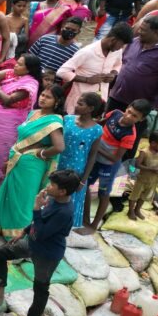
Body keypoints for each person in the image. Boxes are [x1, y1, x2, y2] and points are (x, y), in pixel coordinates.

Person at [0, 170, 80, 316]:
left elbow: (42, 232)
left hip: (47, 253)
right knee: (0, 253)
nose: (48, 187)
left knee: (40, 288)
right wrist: (24, 231)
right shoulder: (54, 200)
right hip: (32, 242)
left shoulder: (64, 212)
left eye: (52, 185)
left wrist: (36, 208)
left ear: (62, 191)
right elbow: (39, 223)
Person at [0, 84, 66, 238]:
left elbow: (59, 147)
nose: (43, 98)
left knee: (23, 200)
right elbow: (22, 138)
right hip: (17, 159)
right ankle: (3, 227)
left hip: (32, 164)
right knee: (9, 195)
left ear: (57, 102)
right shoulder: (34, 113)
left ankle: (19, 236)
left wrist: (41, 153)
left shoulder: (54, 121)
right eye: (43, 95)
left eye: (48, 97)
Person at [80, 99, 151, 233]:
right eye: (129, 111)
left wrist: (96, 146)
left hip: (108, 166)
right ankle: (85, 218)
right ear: (127, 107)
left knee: (103, 194)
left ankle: (93, 225)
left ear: (141, 119)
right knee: (85, 185)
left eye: (135, 116)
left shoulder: (130, 135)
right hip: (95, 159)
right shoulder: (115, 113)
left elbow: (115, 158)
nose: (129, 116)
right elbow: (100, 123)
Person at [0, 54, 43, 190]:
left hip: (8, 125)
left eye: (20, 65)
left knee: (1, 152)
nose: (15, 66)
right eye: (17, 62)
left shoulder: (29, 84)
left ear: (28, 70)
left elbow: (8, 100)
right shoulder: (11, 73)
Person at [105, 15, 158, 120]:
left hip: (141, 105)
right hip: (117, 96)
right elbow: (121, 62)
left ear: (156, 32)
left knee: (131, 133)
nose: (139, 32)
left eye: (143, 30)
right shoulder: (134, 42)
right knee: (108, 126)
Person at [57, 23, 132, 114]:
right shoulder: (87, 52)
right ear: (113, 40)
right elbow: (62, 71)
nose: (122, 48)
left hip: (100, 104)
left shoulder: (117, 51)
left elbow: (118, 64)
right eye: (122, 45)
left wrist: (113, 73)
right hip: (79, 105)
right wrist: (87, 80)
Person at [57, 92, 104, 231]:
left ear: (90, 109)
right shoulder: (67, 119)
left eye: (80, 104)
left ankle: (63, 227)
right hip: (60, 163)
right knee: (54, 190)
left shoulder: (96, 130)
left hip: (77, 169)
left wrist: (83, 180)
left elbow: (92, 155)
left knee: (71, 198)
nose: (76, 105)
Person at [129, 129, 158, 220]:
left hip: (153, 180)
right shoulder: (144, 152)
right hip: (142, 179)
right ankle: (130, 210)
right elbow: (137, 164)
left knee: (144, 196)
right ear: (153, 143)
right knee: (135, 195)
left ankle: (137, 210)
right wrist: (151, 169)